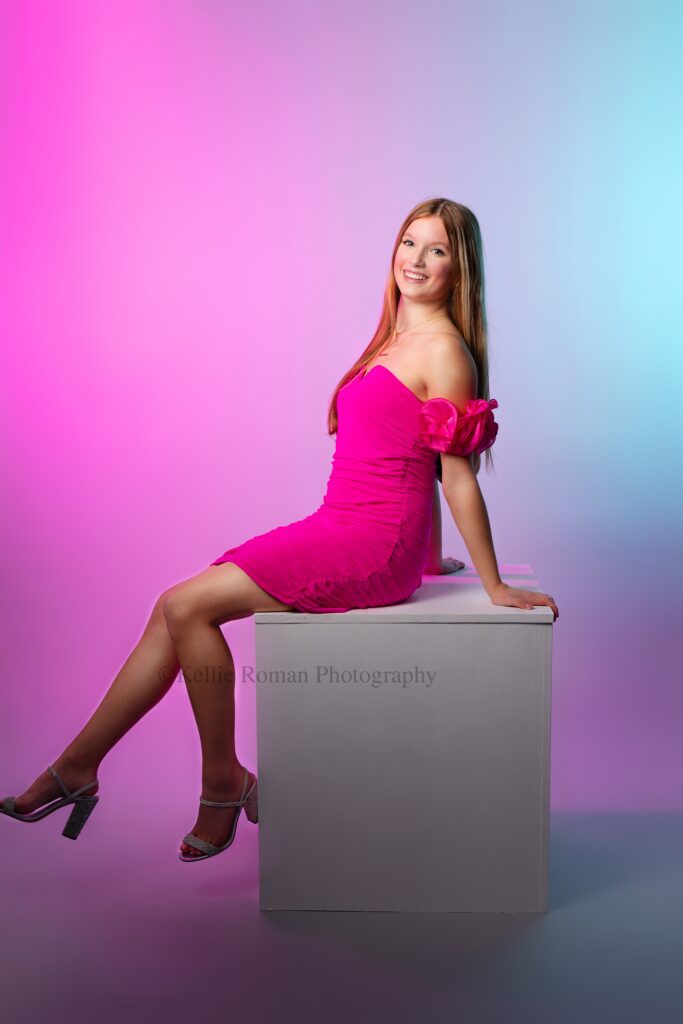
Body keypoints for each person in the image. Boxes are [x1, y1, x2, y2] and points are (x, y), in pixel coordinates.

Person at [1, 197, 559, 862]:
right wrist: (434, 558)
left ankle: (221, 783)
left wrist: (493, 585)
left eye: (436, 250)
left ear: (458, 270)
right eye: (409, 243)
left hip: (373, 544)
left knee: (188, 606)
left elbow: (455, 474)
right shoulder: (392, 338)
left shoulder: (444, 351)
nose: (415, 260)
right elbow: (418, 456)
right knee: (171, 607)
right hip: (339, 522)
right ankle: (78, 767)